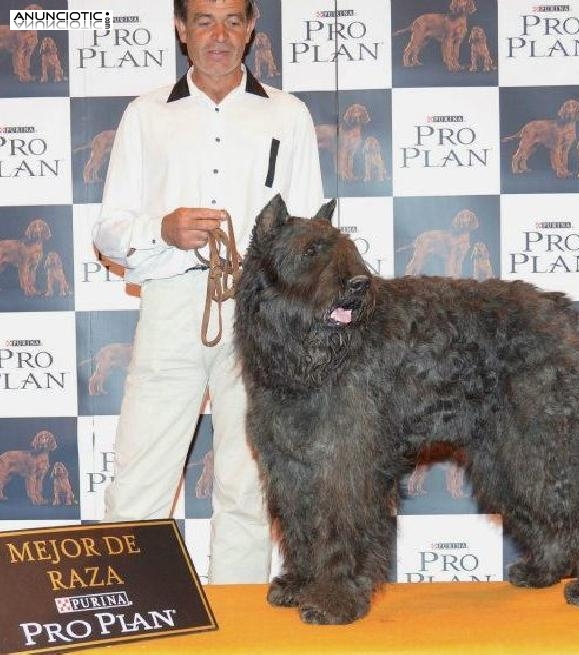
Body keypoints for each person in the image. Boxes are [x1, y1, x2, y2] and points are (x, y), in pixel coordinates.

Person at [93, 0, 324, 583]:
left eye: (231, 21)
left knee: (247, 482)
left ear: (250, 29)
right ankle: (124, 611)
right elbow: (109, 229)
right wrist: (162, 229)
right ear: (181, 29)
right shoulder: (145, 115)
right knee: (140, 477)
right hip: (172, 302)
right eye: (203, 20)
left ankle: (239, 630)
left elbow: (310, 234)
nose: (218, 35)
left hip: (261, 310)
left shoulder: (287, 114)